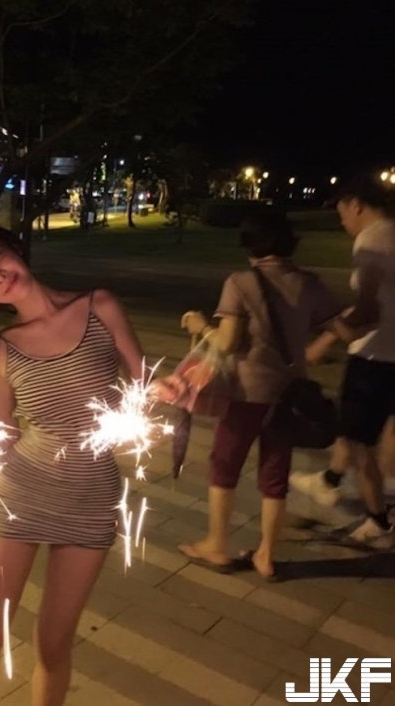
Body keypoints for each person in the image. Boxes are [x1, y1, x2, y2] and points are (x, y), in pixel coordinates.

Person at [0, 223, 169, 706]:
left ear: (13, 250)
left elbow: (145, 385)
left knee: (53, 644)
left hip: (92, 503)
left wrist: (174, 387)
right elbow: (3, 435)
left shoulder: (100, 307)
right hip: (22, 499)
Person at [173, 212, 342, 580]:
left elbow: (227, 343)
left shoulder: (241, 283)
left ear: (250, 245)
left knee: (224, 464)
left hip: (245, 394)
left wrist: (200, 325)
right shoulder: (309, 283)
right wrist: (316, 348)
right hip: (288, 396)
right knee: (275, 472)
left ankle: (216, 545)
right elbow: (343, 326)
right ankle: (266, 555)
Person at [291, 174, 395, 548]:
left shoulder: (370, 241)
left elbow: (367, 309)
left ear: (356, 204)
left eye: (341, 213)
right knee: (377, 431)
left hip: (374, 358)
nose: (342, 221)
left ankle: (378, 523)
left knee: (358, 440)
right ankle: (332, 481)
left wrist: (333, 328)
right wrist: (328, 339)